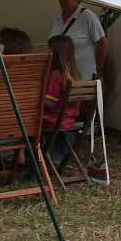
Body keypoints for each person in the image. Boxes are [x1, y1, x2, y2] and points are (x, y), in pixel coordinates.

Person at [43, 35, 82, 166]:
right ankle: (61, 155)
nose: (47, 52)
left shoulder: (55, 75)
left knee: (28, 120)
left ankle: (44, 156)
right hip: (70, 120)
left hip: (55, 120)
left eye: (49, 49)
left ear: (56, 53)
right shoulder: (75, 73)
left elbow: (49, 103)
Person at [48, 0, 107, 81]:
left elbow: (103, 44)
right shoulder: (55, 17)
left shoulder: (88, 17)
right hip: (59, 79)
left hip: (83, 77)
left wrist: (97, 69)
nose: (61, 1)